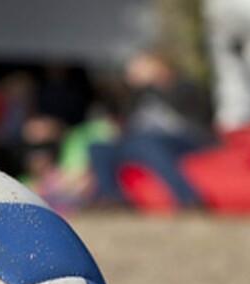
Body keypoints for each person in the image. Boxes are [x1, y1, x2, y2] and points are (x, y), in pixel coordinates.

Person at [88, 49, 213, 208]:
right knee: (98, 147)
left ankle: (188, 197)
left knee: (145, 142)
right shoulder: (137, 94)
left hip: (183, 137)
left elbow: (194, 111)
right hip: (138, 140)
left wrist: (153, 85)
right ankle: (112, 198)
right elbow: (127, 121)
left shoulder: (183, 86)